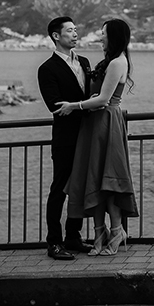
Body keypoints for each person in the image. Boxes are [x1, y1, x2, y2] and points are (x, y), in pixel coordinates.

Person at [56, 19, 139, 256]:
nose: (100, 37)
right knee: (93, 178)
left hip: (106, 124)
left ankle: (115, 232)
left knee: (108, 181)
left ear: (113, 36)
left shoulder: (117, 62)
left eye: (103, 33)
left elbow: (104, 99)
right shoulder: (109, 61)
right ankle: (100, 234)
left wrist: (74, 106)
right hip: (94, 125)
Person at [37, 16, 95, 260]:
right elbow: (55, 105)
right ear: (56, 36)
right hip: (65, 137)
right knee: (59, 189)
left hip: (87, 134)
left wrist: (77, 105)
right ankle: (54, 243)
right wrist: (81, 106)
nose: (75, 34)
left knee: (79, 187)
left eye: (75, 30)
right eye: (70, 31)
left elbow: (86, 97)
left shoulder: (84, 61)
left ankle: (73, 236)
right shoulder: (47, 69)